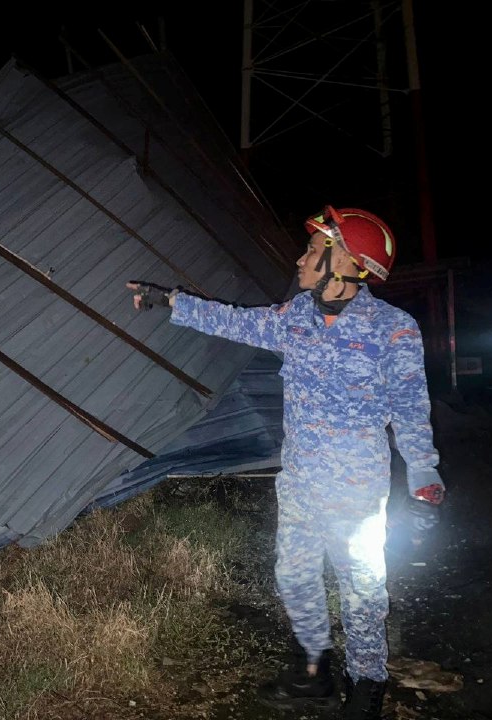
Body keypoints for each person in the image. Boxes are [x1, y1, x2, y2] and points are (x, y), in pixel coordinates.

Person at [128, 206, 444, 720]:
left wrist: (424, 475)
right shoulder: (295, 317)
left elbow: (410, 407)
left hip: (356, 492)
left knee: (362, 591)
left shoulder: (393, 329)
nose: (300, 259)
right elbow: (234, 319)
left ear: (346, 262)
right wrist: (172, 302)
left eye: (314, 250)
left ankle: (366, 685)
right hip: (298, 482)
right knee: (295, 578)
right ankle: (315, 672)